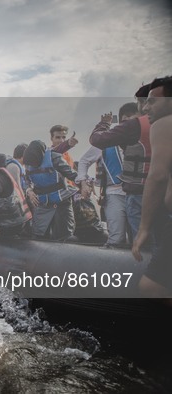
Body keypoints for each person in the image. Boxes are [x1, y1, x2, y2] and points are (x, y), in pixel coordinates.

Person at [90, 82, 152, 240]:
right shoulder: (161, 124)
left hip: (139, 193)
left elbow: (96, 139)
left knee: (141, 240)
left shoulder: (135, 127)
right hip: (157, 191)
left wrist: (103, 124)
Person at [131, 76, 172, 298]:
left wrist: (143, 227)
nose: (146, 107)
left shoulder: (164, 124)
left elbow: (157, 176)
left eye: (152, 101)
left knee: (150, 286)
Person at [76, 102, 139, 247]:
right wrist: (83, 182)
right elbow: (84, 161)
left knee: (140, 237)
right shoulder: (109, 140)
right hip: (114, 194)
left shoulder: (145, 138)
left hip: (138, 194)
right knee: (116, 237)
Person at [23, 140, 78, 240]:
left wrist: (84, 183)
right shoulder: (28, 162)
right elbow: (26, 180)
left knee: (65, 235)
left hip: (61, 202)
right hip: (42, 204)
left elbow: (72, 174)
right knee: (38, 234)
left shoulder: (54, 157)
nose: (33, 165)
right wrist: (29, 191)